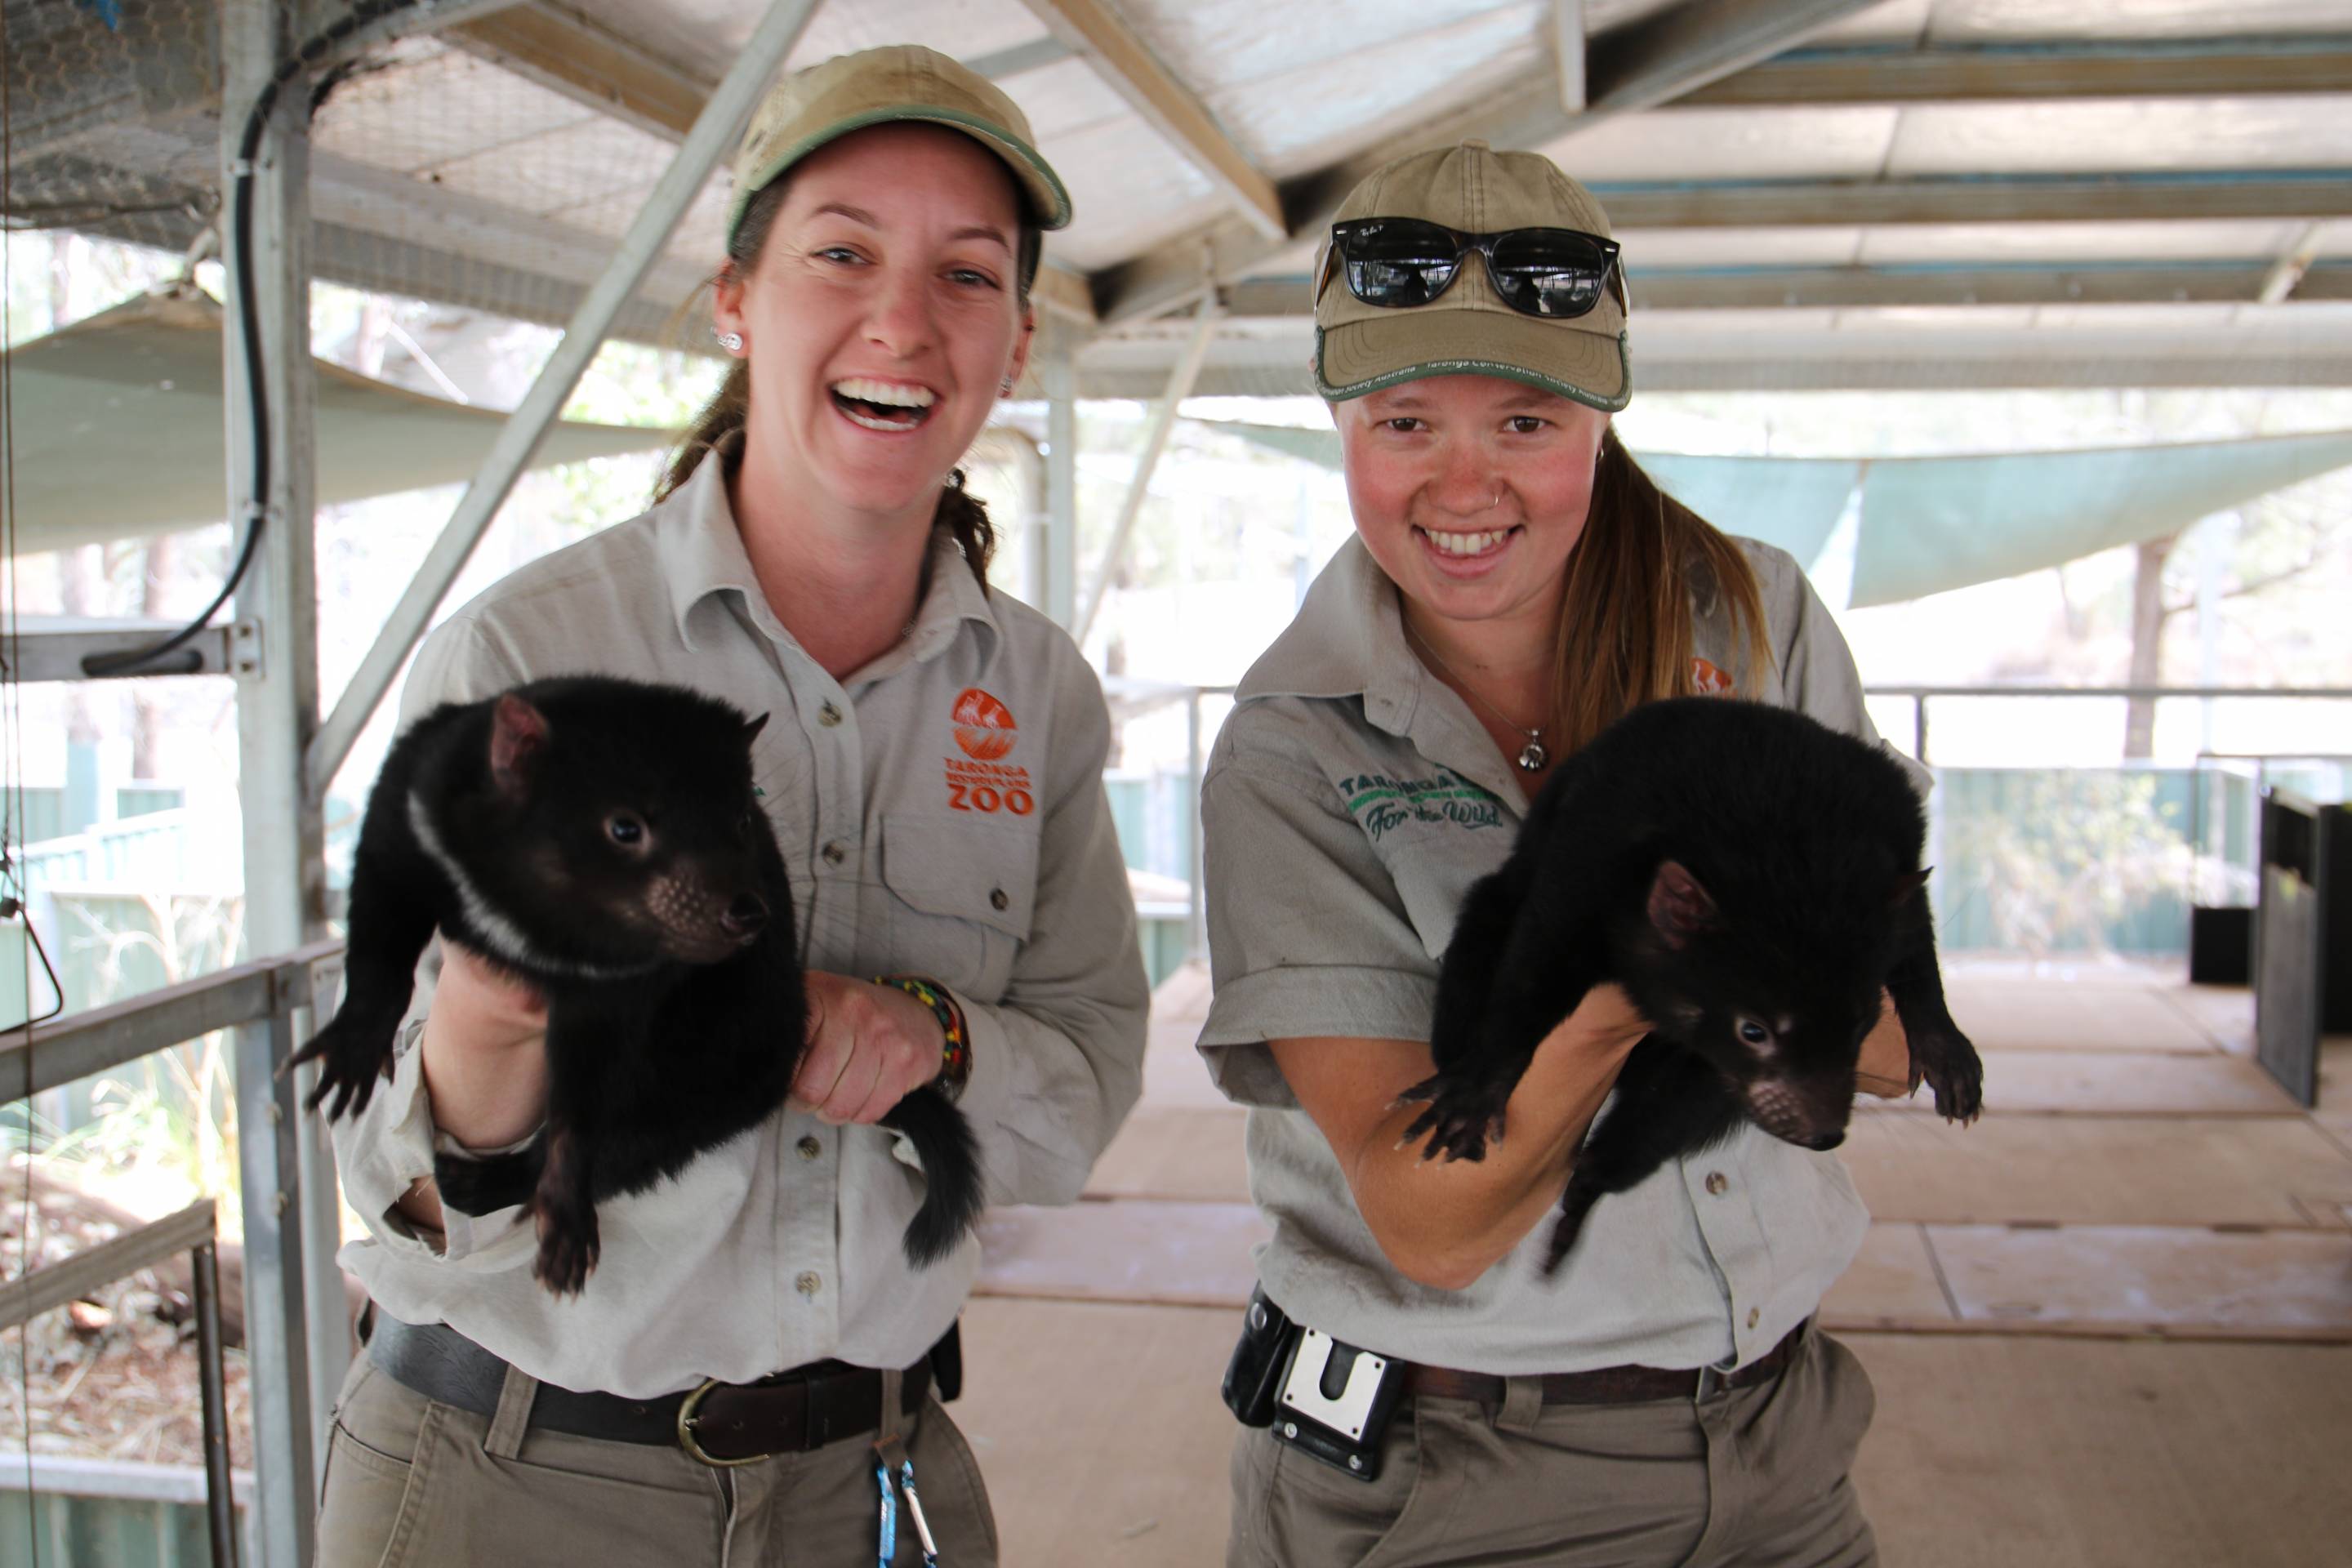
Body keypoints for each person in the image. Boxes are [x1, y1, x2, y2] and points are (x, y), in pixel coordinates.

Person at [315, 46, 1148, 1566]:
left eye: (966, 275)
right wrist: (494, 1028)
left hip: (872, 1480)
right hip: (516, 1475)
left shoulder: (1035, 697)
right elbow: (397, 1181)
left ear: (1019, 340)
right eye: (841, 253)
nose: (902, 318)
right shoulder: (525, 664)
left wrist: (939, 1035)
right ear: (737, 298)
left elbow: (1086, 1079)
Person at [1198, 140, 1923, 1567]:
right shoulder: (1293, 754)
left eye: (1526, 422)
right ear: (1342, 424)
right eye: (1405, 421)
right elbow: (1434, 1220)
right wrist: (1645, 970)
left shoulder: (1753, 622)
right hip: (1456, 1469)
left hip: (1783, 1442)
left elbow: (1890, 1051)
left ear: (1602, 418)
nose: (1464, 486)